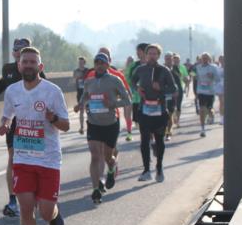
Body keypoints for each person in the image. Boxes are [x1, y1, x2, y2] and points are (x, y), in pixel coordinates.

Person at [0, 47, 69, 225]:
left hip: (48, 159)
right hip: (23, 158)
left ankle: (55, 215)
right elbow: (7, 113)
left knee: (45, 212)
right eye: (24, 61)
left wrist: (54, 118)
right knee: (26, 208)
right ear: (19, 65)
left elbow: (66, 125)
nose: (28, 65)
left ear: (40, 67)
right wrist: (4, 124)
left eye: (32, 62)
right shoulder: (12, 91)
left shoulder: (52, 91)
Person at [0, 37, 45, 218]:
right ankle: (13, 199)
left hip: (33, 122)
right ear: (14, 53)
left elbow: (46, 92)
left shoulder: (36, 70)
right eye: (16, 50)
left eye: (23, 49)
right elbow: (1, 85)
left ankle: (36, 194)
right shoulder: (8, 69)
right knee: (13, 159)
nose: (18, 53)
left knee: (32, 159)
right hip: (14, 122)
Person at [75, 53, 131, 203]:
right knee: (94, 155)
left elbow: (127, 100)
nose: (99, 65)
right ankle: (95, 189)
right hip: (93, 123)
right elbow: (85, 96)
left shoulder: (115, 80)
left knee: (108, 157)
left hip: (110, 124)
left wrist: (112, 104)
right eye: (96, 62)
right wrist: (80, 104)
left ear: (107, 65)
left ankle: (112, 169)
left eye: (102, 63)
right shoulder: (89, 81)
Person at [132, 43, 177, 182]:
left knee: (159, 141)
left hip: (160, 110)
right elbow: (132, 82)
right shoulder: (140, 69)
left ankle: (159, 167)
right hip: (144, 110)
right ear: (145, 55)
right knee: (144, 140)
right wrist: (137, 89)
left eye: (155, 53)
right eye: (149, 53)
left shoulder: (164, 70)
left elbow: (173, 89)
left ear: (158, 55)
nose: (152, 56)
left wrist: (161, 89)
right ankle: (146, 170)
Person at [193, 52, 219, 137]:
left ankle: (211, 115)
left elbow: (218, 79)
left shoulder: (213, 67)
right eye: (203, 58)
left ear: (209, 59)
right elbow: (192, 74)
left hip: (210, 91)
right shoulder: (198, 67)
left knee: (209, 109)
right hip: (201, 91)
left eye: (206, 58)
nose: (204, 60)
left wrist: (212, 76)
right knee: (202, 109)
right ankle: (202, 129)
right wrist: (194, 76)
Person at [72, 56, 89, 134]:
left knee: (89, 110)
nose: (80, 64)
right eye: (79, 62)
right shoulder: (76, 71)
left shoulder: (87, 71)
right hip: (79, 92)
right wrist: (79, 77)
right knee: (81, 110)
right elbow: (75, 78)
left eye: (82, 62)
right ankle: (82, 127)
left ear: (84, 63)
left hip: (87, 92)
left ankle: (90, 125)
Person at [214, 54, 226, 124]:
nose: (222, 61)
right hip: (220, 86)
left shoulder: (229, 67)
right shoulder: (217, 68)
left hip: (227, 86)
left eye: (223, 59)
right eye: (221, 59)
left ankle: (226, 116)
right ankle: (222, 118)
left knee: (226, 102)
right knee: (221, 102)